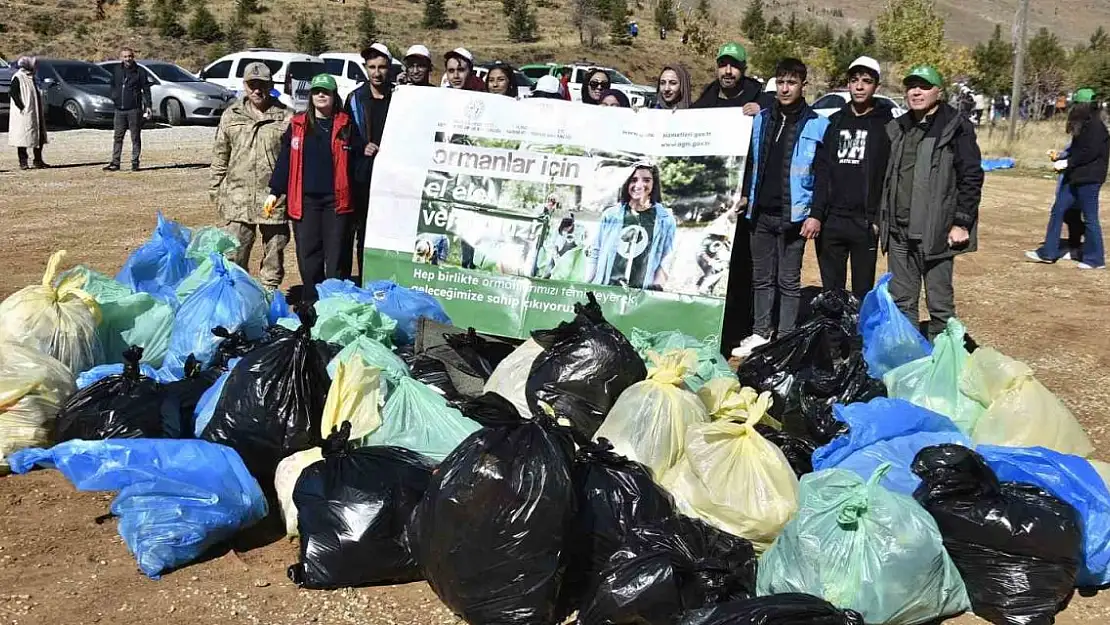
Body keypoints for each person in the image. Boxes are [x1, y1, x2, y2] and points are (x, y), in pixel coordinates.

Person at [733, 58, 829, 358]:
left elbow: (825, 175)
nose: (785, 88)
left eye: (792, 83)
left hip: (794, 216)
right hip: (760, 214)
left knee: (788, 281)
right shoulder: (762, 119)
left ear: (803, 85)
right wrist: (746, 196)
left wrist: (815, 213)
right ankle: (761, 333)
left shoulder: (817, 124)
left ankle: (785, 337)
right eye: (781, 82)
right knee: (762, 278)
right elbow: (750, 163)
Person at [880, 65, 984, 339]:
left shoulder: (955, 126)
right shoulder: (899, 127)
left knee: (939, 305)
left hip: (936, 231)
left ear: (939, 92)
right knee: (902, 301)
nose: (916, 92)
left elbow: (971, 175)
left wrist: (962, 222)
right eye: (911, 86)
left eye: (924, 86)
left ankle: (941, 363)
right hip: (899, 232)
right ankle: (910, 363)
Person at [268, 74, 364, 302]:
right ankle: (310, 302)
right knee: (309, 255)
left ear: (334, 96)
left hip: (337, 203)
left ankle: (335, 303)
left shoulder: (346, 125)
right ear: (311, 96)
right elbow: (285, 160)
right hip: (305, 201)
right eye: (316, 91)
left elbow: (358, 164)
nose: (321, 95)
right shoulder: (298, 125)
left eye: (326, 91)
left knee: (337, 256)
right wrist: (274, 191)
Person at [810, 56, 893, 300]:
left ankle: (857, 339)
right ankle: (832, 338)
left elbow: (889, 175)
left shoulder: (888, 125)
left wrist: (878, 218)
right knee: (832, 293)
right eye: (854, 80)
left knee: (862, 292)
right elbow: (822, 171)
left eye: (866, 81)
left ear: (876, 86)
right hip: (832, 221)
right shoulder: (834, 122)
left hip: (865, 223)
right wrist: (817, 213)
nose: (859, 86)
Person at [210, 61, 292, 292]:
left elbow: (294, 162)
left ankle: (267, 299)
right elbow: (220, 156)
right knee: (234, 256)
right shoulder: (231, 115)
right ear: (245, 86)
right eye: (252, 84)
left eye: (262, 84)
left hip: (273, 200)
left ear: (271, 85)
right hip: (238, 199)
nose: (257, 90)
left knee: (273, 257)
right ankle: (238, 301)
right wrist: (216, 192)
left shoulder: (286, 117)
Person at [1025, 88, 1107, 269]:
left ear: (1082, 106)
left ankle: (1095, 259)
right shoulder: (1083, 124)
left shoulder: (1096, 127)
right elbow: (1077, 150)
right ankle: (1048, 252)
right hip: (1075, 176)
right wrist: (1062, 156)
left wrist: (1067, 163)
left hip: (1089, 178)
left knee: (1090, 218)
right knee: (1058, 210)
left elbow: (1089, 153)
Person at [345, 42, 393, 280]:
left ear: (389, 68)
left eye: (382, 67)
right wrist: (361, 145)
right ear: (365, 68)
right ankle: (363, 277)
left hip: (392, 178)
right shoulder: (355, 98)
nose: (377, 72)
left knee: (387, 231)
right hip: (362, 177)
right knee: (361, 231)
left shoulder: (398, 97)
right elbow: (346, 133)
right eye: (372, 67)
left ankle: (384, 277)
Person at [587, 164, 677, 290]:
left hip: (640, 296)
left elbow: (666, 258)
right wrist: (587, 285)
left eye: (646, 180)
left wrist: (655, 289)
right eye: (633, 180)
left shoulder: (665, 219)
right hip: (606, 290)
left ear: (654, 183)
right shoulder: (611, 215)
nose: (639, 185)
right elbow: (596, 251)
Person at [104, 47, 152, 172]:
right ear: (121, 57)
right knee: (118, 137)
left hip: (134, 109)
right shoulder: (117, 70)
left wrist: (148, 106)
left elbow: (146, 89)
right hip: (119, 109)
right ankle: (115, 162)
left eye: (129, 56)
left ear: (133, 57)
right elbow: (112, 85)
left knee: (135, 137)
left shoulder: (140, 71)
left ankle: (135, 162)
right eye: (125, 56)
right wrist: (114, 97)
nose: (127, 59)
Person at [692, 42, 771, 113]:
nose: (728, 71)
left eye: (734, 65)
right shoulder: (703, 102)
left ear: (744, 69)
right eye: (723, 64)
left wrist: (763, 112)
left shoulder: (761, 100)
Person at [8, 56, 48, 170]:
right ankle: (23, 162)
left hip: (35, 111)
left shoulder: (32, 77)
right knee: (23, 138)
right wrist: (22, 107)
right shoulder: (18, 77)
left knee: (38, 137)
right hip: (24, 113)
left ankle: (38, 160)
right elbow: (13, 93)